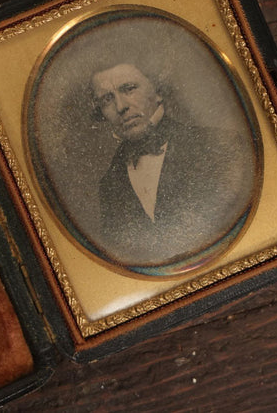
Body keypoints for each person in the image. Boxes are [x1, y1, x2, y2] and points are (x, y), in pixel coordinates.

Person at [90, 62, 238, 268]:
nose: (121, 106)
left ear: (157, 91)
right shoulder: (109, 185)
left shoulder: (220, 146)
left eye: (129, 89)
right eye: (107, 99)